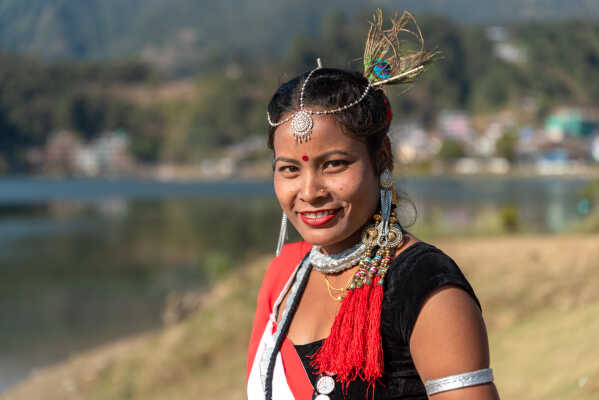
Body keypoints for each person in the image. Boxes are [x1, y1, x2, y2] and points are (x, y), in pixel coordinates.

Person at [247, 10, 500, 400]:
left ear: (381, 158)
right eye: (289, 170)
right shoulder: (285, 278)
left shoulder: (425, 285)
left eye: (333, 164)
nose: (310, 190)